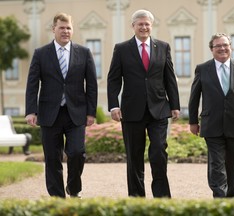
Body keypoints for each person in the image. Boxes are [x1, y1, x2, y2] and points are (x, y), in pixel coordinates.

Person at [107, 9, 180, 198]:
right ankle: (136, 198)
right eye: (140, 24)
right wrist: (114, 105)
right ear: (133, 26)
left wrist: (175, 105)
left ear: (151, 26)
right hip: (131, 110)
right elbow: (114, 79)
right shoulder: (121, 49)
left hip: (159, 108)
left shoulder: (163, 47)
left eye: (147, 24)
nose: (144, 27)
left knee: (158, 151)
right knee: (134, 156)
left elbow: (169, 77)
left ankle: (162, 198)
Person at [25, 12, 98, 198]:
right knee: (52, 158)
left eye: (68, 28)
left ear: (72, 30)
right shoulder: (41, 54)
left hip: (76, 113)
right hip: (50, 113)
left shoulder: (84, 52)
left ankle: (73, 188)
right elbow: (33, 83)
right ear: (54, 29)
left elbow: (91, 85)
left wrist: (91, 112)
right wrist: (31, 111)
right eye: (61, 28)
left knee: (77, 153)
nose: (65, 31)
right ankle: (57, 198)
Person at [188, 33, 234, 198]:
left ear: (230, 47)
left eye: (225, 45)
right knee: (216, 164)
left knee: (232, 167)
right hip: (211, 124)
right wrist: (193, 121)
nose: (222, 48)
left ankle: (231, 200)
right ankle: (220, 198)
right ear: (212, 49)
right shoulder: (202, 69)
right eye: (218, 46)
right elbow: (194, 97)